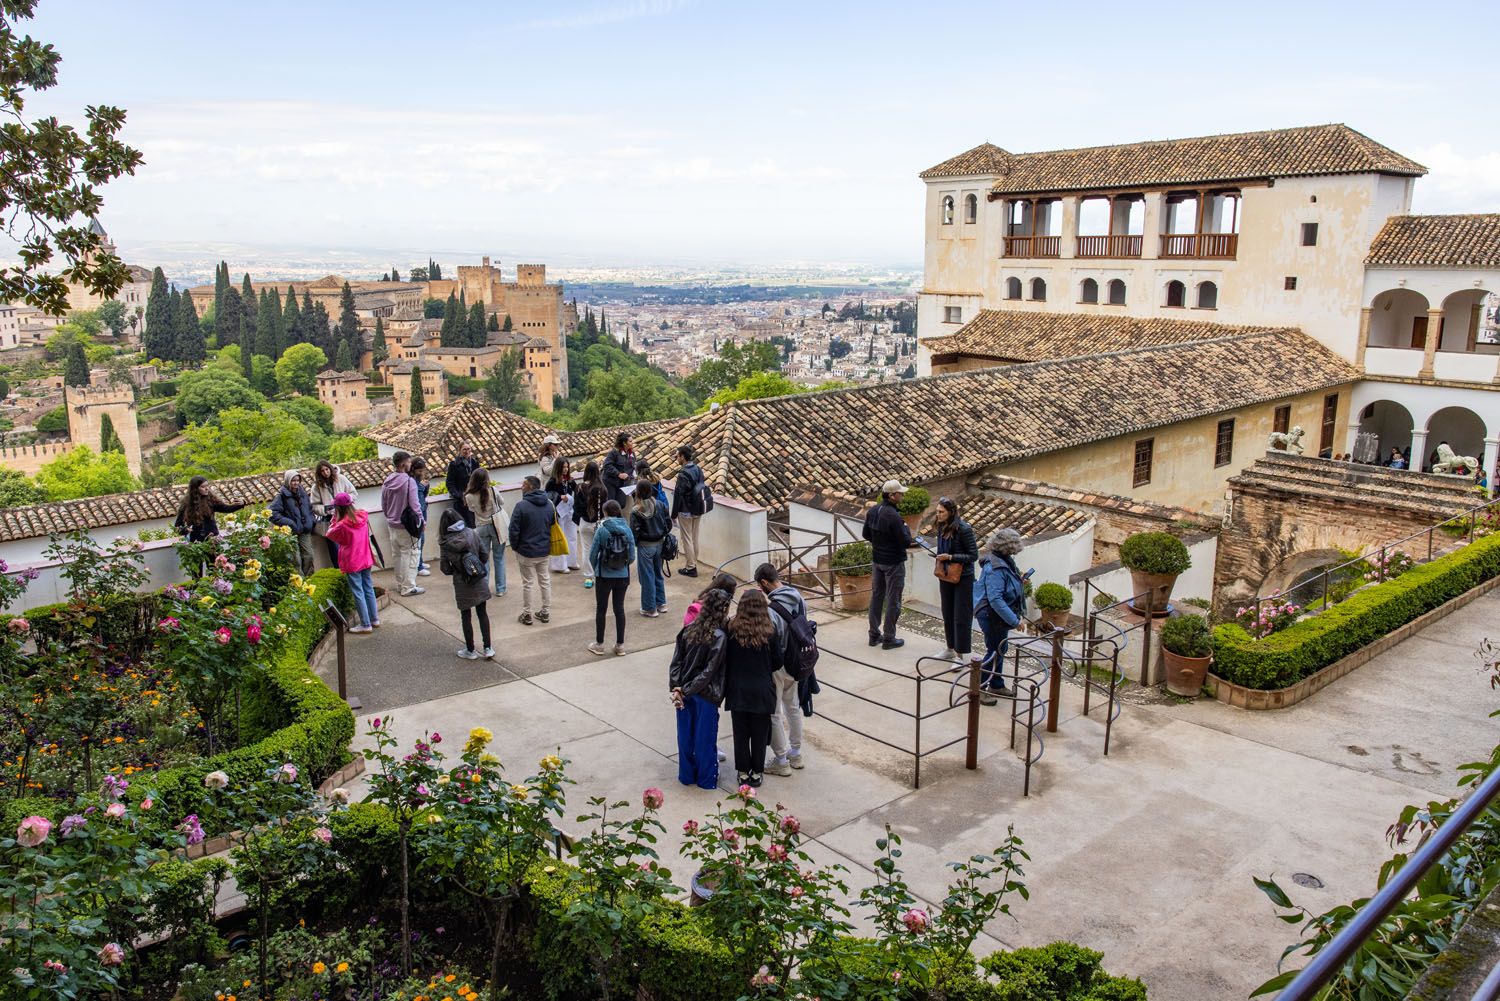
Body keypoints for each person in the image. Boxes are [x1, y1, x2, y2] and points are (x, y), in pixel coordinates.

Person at [669, 586, 731, 790]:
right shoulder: (720, 636)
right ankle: (706, 779)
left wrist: (677, 687)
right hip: (705, 694)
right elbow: (709, 671)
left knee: (685, 736)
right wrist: (686, 689)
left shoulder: (689, 629)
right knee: (704, 739)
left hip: (684, 693)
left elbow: (676, 661)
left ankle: (686, 775)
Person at [722, 587, 783, 788]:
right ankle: (757, 772)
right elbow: (777, 661)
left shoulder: (731, 630)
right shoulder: (769, 632)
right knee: (759, 733)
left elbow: (726, 659)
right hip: (762, 690)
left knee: (740, 734)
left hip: (738, 689)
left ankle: (742, 771)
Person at [756, 563, 809, 777]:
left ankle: (781, 760)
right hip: (799, 661)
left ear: (765, 583)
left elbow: (770, 640)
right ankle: (795, 754)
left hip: (779, 665)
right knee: (793, 706)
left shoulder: (771, 610)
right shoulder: (798, 596)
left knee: (774, 712)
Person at [973, 528, 1026, 705]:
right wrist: (1014, 620)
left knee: (1000, 649)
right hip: (991, 615)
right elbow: (995, 599)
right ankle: (979, 689)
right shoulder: (995, 567)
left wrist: (1018, 580)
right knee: (994, 651)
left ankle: (996, 684)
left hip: (996, 615)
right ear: (1009, 548)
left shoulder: (1004, 561)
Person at [863, 479, 914, 650]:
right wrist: (906, 528)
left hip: (877, 560)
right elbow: (906, 541)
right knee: (893, 600)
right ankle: (889, 638)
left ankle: (873, 635)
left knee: (876, 597)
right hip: (894, 563)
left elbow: (866, 534)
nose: (903, 495)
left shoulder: (873, 511)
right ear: (892, 495)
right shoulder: (894, 516)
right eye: (900, 493)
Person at [438, 508, 493, 660]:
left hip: (461, 582)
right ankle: (488, 648)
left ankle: (470, 650)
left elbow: (445, 568)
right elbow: (484, 554)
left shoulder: (445, 542)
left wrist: (458, 571)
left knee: (466, 616)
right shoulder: (471, 533)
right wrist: (475, 568)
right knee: (482, 613)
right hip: (478, 579)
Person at [324, 492, 379, 633]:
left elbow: (329, 533)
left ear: (338, 508)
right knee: (368, 588)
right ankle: (374, 619)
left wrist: (334, 518)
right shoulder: (363, 515)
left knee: (358, 592)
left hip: (352, 561)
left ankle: (366, 624)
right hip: (365, 558)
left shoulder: (341, 525)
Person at [933, 497, 979, 661]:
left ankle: (959, 655)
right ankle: (950, 647)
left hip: (963, 577)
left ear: (951, 512)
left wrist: (951, 557)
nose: (938, 514)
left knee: (961, 615)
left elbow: (973, 555)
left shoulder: (964, 529)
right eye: (937, 511)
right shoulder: (942, 527)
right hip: (945, 574)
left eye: (941, 512)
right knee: (947, 612)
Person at [587, 499, 635, 655]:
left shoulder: (602, 529)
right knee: (619, 608)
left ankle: (599, 644)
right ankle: (620, 645)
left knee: (601, 609)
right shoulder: (627, 529)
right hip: (622, 575)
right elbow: (632, 556)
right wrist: (623, 565)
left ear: (606, 513)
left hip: (604, 575)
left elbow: (593, 554)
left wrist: (597, 569)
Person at [508, 474, 555, 625]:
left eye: (524, 485)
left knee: (528, 583)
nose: (521, 487)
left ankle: (527, 614)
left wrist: (515, 547)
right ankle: (546, 612)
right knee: (545, 581)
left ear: (530, 487)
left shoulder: (521, 506)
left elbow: (513, 530)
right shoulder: (549, 504)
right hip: (544, 549)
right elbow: (552, 524)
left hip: (526, 551)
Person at [381, 451, 425, 597]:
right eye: (409, 462)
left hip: (392, 525)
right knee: (411, 554)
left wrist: (391, 517)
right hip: (407, 526)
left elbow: (384, 504)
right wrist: (421, 521)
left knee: (398, 556)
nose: (410, 464)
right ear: (403, 464)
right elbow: (415, 505)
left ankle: (400, 584)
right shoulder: (408, 481)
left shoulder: (387, 481)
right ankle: (408, 587)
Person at [464, 468, 509, 597]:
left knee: (484, 559)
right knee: (499, 558)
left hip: (481, 527)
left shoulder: (469, 496)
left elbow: (472, 510)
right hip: (496, 526)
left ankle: (484, 588)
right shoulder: (493, 491)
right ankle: (500, 588)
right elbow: (502, 502)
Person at [630, 481, 671, 617]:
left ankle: (649, 608)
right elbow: (668, 524)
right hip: (659, 544)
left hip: (645, 546)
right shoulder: (660, 505)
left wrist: (635, 544)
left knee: (647, 576)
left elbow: (634, 532)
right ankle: (661, 603)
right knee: (657, 573)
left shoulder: (636, 511)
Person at [671, 444, 710, 579]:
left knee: (687, 539)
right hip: (697, 508)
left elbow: (678, 495)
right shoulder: (698, 469)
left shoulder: (683, 474)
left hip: (685, 510)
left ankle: (690, 567)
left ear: (682, 457)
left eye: (677, 456)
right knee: (694, 538)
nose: (677, 458)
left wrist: (673, 514)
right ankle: (694, 563)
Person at [270, 469, 317, 575]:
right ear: (287, 481)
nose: (296, 483)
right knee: (295, 560)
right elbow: (273, 514)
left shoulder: (303, 493)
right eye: (293, 481)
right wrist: (290, 523)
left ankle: (309, 579)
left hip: (305, 530)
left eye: (297, 480)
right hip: (291, 532)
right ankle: (299, 583)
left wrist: (311, 520)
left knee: (309, 555)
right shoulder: (281, 495)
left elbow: (309, 508)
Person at [174, 476, 245, 543]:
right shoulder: (186, 504)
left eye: (207, 486)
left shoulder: (210, 499)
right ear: (195, 489)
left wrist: (240, 504)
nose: (207, 488)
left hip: (213, 539)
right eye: (203, 487)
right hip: (196, 543)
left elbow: (226, 508)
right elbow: (178, 526)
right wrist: (185, 530)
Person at [311, 460, 355, 565]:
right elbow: (314, 506)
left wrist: (345, 501)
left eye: (327, 469)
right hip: (330, 520)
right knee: (335, 550)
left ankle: (353, 568)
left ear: (330, 468)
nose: (326, 472)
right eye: (322, 471)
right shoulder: (317, 487)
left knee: (351, 545)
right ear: (319, 473)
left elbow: (353, 493)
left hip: (347, 516)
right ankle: (339, 572)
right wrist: (325, 509)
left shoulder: (341, 479)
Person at [576, 461, 609, 591]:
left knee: (587, 550)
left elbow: (577, 508)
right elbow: (606, 507)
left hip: (585, 523)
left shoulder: (580, 487)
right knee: (601, 549)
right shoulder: (602, 488)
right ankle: (601, 574)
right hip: (599, 523)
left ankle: (589, 577)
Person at [546, 457, 580, 575]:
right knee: (561, 537)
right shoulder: (552, 482)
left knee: (572, 537)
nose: (565, 469)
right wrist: (559, 497)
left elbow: (577, 491)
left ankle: (572, 561)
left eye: (567, 467)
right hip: (559, 513)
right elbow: (548, 498)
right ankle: (560, 565)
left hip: (570, 511)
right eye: (563, 467)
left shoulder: (570, 480)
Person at [445, 441, 481, 528]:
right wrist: (459, 495)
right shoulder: (454, 465)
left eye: (468, 449)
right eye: (464, 449)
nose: (467, 451)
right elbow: (450, 483)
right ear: (460, 450)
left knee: (475, 525)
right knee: (463, 526)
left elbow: (479, 479)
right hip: (461, 502)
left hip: (473, 499)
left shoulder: (475, 463)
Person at [409, 457, 433, 577]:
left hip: (423, 510)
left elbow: (423, 495)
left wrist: (425, 487)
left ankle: (420, 562)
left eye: (422, 471)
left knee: (421, 539)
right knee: (419, 540)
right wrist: (422, 487)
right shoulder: (410, 481)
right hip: (416, 513)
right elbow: (414, 496)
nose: (421, 473)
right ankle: (418, 566)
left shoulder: (418, 480)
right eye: (419, 471)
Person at [603, 432, 637, 508]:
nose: (632, 443)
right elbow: (607, 465)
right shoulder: (614, 453)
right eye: (630, 441)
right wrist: (618, 474)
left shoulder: (632, 454)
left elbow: (632, 468)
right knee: (611, 505)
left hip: (623, 484)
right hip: (611, 483)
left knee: (621, 504)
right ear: (624, 443)